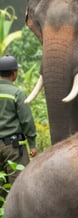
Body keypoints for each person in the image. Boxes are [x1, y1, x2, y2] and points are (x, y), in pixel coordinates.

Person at [0, 54, 37, 197]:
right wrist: (32, 143)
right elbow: (26, 120)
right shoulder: (17, 93)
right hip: (13, 148)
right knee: (18, 187)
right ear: (14, 73)